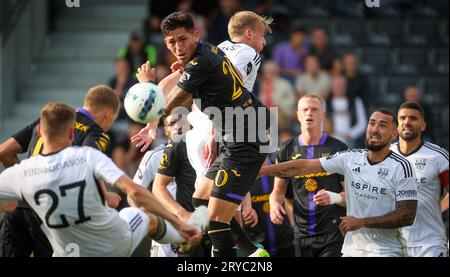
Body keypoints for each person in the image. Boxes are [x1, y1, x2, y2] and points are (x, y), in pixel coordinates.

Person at [132, 12, 271, 257]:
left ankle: (247, 254)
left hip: (245, 133)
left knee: (217, 217)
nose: (178, 46)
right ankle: (251, 251)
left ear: (196, 35)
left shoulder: (208, 60)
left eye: (182, 39)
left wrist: (146, 88)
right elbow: (170, 87)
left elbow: (171, 100)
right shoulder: (206, 49)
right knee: (201, 201)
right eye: (172, 42)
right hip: (233, 130)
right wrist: (153, 126)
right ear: (165, 43)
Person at [0, 103, 203, 257]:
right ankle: (184, 234)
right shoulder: (88, 155)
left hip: (69, 251)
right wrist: (178, 222)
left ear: (39, 132)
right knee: (145, 216)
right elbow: (136, 192)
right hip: (112, 241)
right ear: (72, 133)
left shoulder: (22, 173)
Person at [260, 108, 418, 257]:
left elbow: (406, 216)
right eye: (372, 123)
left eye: (382, 125)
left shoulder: (402, 167)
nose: (375, 129)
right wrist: (259, 172)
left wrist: (362, 222)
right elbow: (301, 167)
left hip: (385, 251)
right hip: (352, 250)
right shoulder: (350, 157)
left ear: (394, 134)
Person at [0, 85, 122, 257]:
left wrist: (25, 184)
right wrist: (106, 197)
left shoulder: (50, 121)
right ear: (109, 113)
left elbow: (4, 152)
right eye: (114, 119)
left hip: (18, 210)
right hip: (51, 212)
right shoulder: (96, 132)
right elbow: (90, 161)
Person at [270, 95, 348, 257]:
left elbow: (353, 196)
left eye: (314, 109)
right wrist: (274, 205)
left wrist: (333, 197)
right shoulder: (286, 149)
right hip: (301, 234)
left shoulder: (338, 148)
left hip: (333, 232)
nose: (309, 113)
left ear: (323, 115)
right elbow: (278, 191)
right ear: (297, 115)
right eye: (305, 109)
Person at [391, 102, 449, 257]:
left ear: (423, 126)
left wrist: (438, 209)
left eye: (413, 118)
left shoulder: (437, 157)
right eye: (402, 118)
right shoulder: (385, 155)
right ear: (397, 125)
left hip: (429, 243)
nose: (407, 122)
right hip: (391, 245)